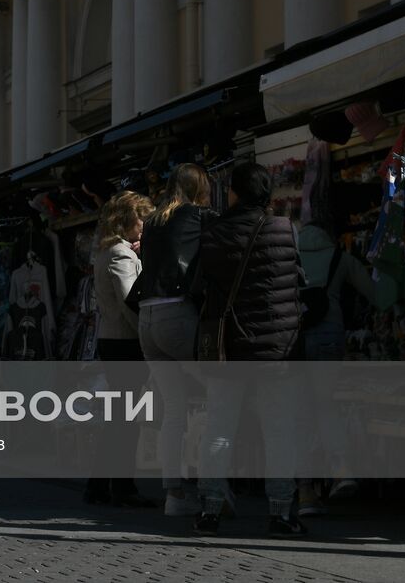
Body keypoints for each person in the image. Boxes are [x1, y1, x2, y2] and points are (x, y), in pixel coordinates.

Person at [193, 162, 305, 537]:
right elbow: (298, 282)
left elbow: (198, 287)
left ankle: (209, 509)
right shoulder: (287, 230)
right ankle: (282, 513)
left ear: (235, 193)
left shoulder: (213, 233)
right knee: (279, 431)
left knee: (220, 428)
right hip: (277, 348)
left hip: (229, 348)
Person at [131, 163, 216, 516]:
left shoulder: (152, 222)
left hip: (147, 318)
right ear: (200, 188)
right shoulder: (200, 217)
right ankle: (216, 491)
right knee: (221, 397)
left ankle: (174, 495)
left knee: (174, 410)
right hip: (177, 313)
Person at [294, 214, 391, 514]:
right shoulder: (341, 257)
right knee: (325, 405)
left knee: (300, 411)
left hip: (294, 337)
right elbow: (378, 297)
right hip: (328, 336)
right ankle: (341, 469)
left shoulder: (289, 258)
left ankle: (306, 491)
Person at [85, 191, 157, 508]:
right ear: (128, 220)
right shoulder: (120, 255)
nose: (144, 228)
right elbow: (132, 302)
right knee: (125, 421)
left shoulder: (108, 251)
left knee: (119, 418)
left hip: (113, 341)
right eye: (141, 220)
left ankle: (101, 485)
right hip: (125, 343)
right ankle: (120, 486)